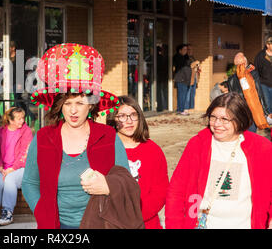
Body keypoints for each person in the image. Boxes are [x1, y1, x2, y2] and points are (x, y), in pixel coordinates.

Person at [21, 43, 133, 229]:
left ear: (91, 105)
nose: (73, 110)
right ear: (59, 106)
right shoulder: (43, 138)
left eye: (80, 103)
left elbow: (126, 181)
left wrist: (109, 187)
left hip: (101, 224)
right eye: (67, 103)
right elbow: (29, 182)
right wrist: (42, 211)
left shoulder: (108, 136)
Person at [165, 92, 272, 229]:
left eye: (224, 119)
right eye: (213, 117)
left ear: (240, 119)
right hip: (203, 224)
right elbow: (176, 191)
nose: (217, 124)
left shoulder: (261, 148)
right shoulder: (198, 144)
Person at [107, 95, 169, 229]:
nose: (129, 121)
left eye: (133, 115)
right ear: (113, 119)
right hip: (113, 222)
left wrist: (135, 214)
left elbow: (160, 192)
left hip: (146, 222)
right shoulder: (106, 149)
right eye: (122, 116)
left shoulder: (153, 150)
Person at [0, 107, 33, 226]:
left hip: (21, 168)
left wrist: (12, 169)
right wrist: (0, 167)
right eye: (19, 119)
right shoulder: (1, 132)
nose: (22, 121)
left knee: (10, 179)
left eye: (22, 118)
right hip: (4, 168)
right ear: (11, 120)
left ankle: (8, 213)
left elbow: (25, 153)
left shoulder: (26, 131)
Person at [227, 52, 268, 132]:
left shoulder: (231, 79)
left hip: (239, 110)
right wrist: (265, 110)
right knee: (250, 134)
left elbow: (231, 98)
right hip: (249, 110)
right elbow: (259, 93)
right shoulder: (253, 75)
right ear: (245, 63)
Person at [254, 35, 272, 116]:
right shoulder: (260, 56)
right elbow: (256, 70)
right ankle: (269, 123)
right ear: (267, 45)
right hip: (264, 83)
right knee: (267, 104)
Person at [173, 44, 191, 116]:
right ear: (179, 50)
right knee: (181, 95)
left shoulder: (185, 57)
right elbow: (183, 65)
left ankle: (182, 109)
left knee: (184, 95)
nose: (186, 51)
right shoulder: (178, 57)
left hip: (185, 79)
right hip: (181, 79)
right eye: (184, 50)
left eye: (186, 50)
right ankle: (180, 110)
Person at [184, 44, 201, 113]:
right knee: (187, 94)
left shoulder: (192, 57)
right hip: (189, 78)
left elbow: (195, 65)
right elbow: (190, 66)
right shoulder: (185, 58)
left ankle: (191, 107)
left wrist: (198, 66)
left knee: (192, 94)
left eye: (191, 49)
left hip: (194, 77)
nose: (190, 51)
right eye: (189, 49)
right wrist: (195, 63)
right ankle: (186, 108)